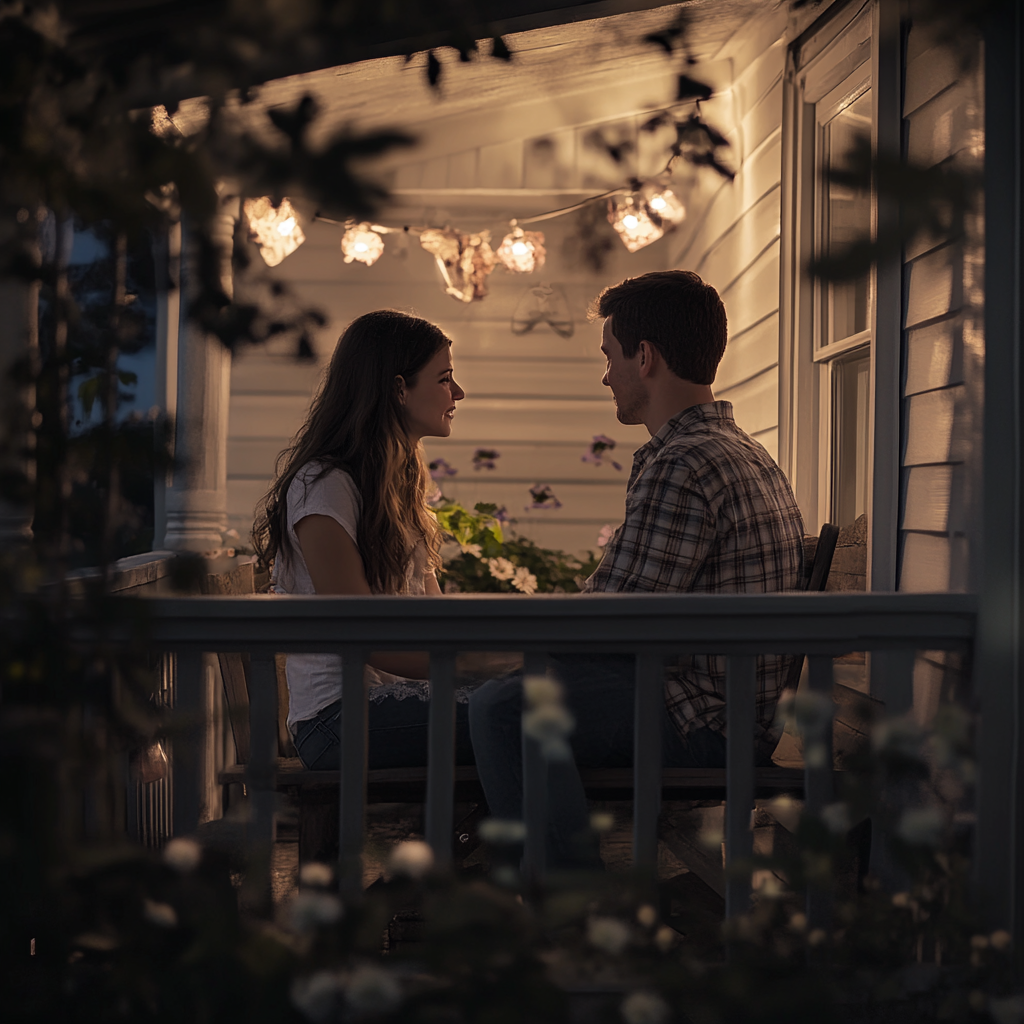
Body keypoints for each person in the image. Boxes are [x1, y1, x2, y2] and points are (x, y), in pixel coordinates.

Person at [468, 270, 806, 868]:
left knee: (503, 709)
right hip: (730, 711)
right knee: (505, 692)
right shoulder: (741, 450)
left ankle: (569, 915)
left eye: (609, 355)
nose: (605, 375)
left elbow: (607, 623)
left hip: (705, 725)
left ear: (644, 356)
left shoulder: (685, 462)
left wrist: (497, 649)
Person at [252, 309, 473, 771]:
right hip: (336, 719)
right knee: (524, 714)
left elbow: (436, 617)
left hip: (392, 701)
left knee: (531, 701)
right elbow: (356, 631)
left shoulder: (397, 483)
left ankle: (480, 840)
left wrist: (500, 657)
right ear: (397, 388)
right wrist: (476, 666)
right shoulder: (324, 484)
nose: (458, 393)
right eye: (444, 378)